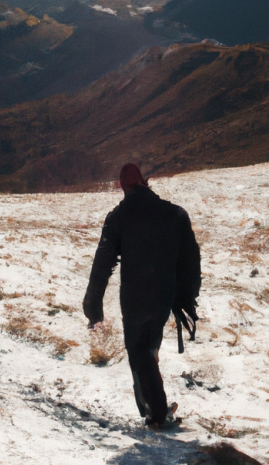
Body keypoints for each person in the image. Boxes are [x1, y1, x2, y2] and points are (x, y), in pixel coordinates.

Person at [83, 163, 201, 427]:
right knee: (148, 349)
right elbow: (192, 259)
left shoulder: (118, 217)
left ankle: (156, 414)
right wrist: (186, 297)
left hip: (134, 297)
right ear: (144, 183)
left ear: (123, 186)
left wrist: (92, 306)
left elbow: (103, 262)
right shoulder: (175, 214)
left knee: (139, 352)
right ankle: (154, 409)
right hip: (163, 296)